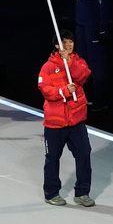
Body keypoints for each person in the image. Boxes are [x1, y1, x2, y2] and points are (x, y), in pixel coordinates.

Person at [38, 30, 95, 207]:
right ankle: (51, 193)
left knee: (84, 154)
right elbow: (44, 89)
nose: (69, 45)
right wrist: (64, 91)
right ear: (57, 46)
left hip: (76, 122)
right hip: (55, 124)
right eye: (64, 42)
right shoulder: (48, 67)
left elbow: (84, 76)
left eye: (71, 41)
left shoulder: (78, 62)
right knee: (52, 158)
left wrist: (69, 62)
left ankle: (82, 192)